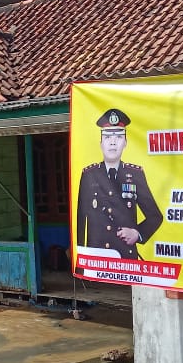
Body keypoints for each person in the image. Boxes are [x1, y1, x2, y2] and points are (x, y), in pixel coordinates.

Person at [75, 108, 163, 259]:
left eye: (118, 137)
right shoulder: (89, 175)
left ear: (125, 143)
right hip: (98, 258)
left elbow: (155, 216)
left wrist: (138, 234)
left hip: (125, 258)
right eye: (108, 137)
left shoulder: (135, 175)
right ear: (101, 143)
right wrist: (81, 261)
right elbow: (81, 221)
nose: (113, 142)